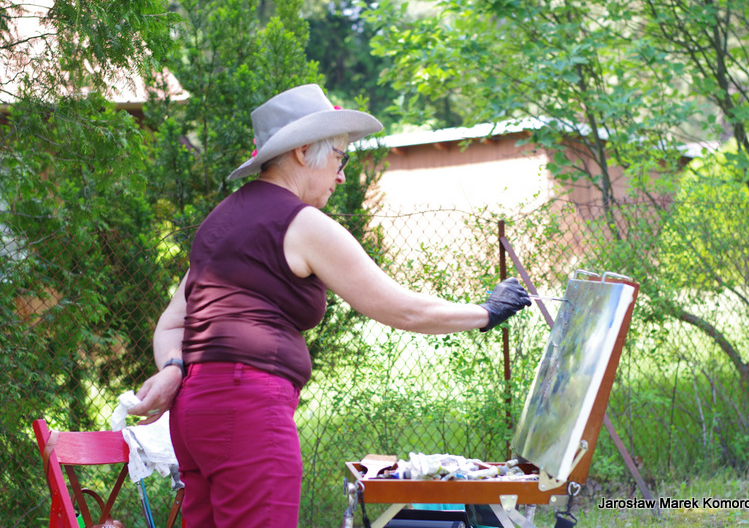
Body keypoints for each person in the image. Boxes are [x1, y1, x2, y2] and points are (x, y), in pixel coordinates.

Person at [129, 83, 530, 527]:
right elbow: (399, 308)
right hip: (247, 411)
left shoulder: (219, 221)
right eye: (340, 158)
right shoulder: (300, 222)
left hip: (194, 412)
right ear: (303, 152)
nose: (341, 176)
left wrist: (173, 368)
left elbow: (172, 324)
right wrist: (486, 312)